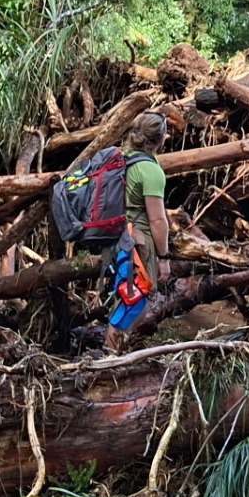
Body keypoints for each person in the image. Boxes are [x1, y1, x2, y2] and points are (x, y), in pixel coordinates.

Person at [104, 111, 171, 350]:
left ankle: (112, 352)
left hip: (117, 237)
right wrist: (163, 258)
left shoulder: (121, 158)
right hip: (138, 241)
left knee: (127, 297)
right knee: (135, 303)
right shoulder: (150, 170)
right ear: (161, 139)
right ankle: (109, 356)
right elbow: (157, 220)